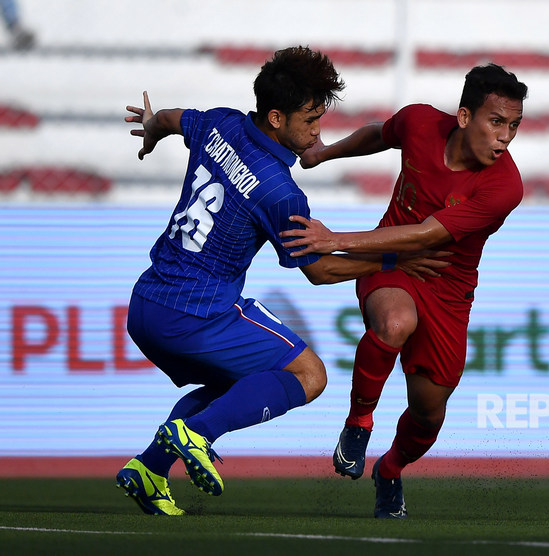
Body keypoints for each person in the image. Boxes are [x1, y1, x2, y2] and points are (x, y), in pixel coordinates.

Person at [116, 46, 447, 516]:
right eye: (310, 120)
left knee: (243, 389)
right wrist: (395, 263)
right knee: (309, 375)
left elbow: (172, 118)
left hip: (146, 304)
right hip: (198, 311)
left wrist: (151, 130)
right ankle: (197, 434)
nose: (318, 131)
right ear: (276, 117)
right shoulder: (279, 190)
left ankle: (150, 468)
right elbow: (320, 270)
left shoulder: (219, 122)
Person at [281, 63, 528, 519]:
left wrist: (336, 240)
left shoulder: (504, 186)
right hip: (390, 263)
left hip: (449, 290)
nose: (505, 137)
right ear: (463, 116)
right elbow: (380, 134)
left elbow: (426, 236)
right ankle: (358, 423)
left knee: (429, 414)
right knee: (395, 321)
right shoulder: (418, 122)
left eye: (513, 126)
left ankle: (390, 470)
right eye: (497, 122)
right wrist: (324, 153)